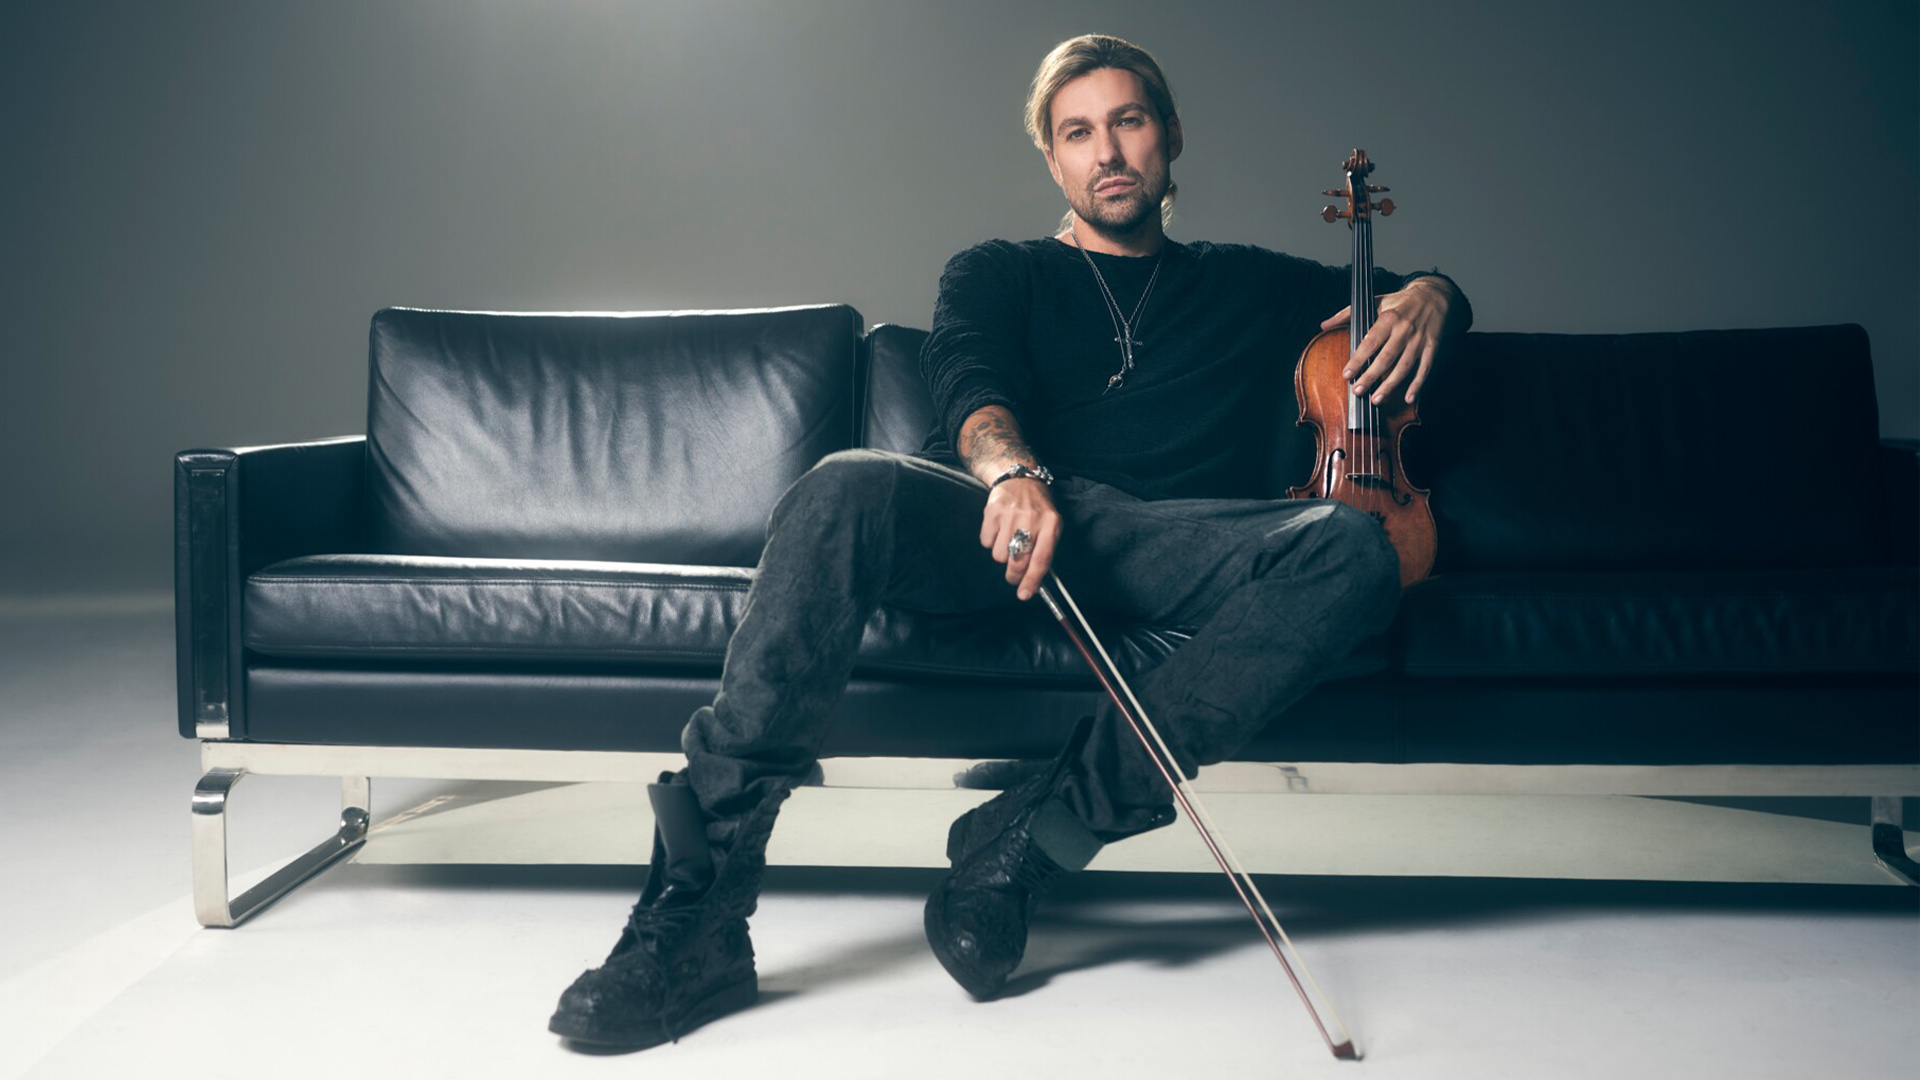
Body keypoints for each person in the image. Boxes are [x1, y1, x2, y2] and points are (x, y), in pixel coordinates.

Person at [547, 32, 1470, 1051]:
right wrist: (1014, 475)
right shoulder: (998, 270)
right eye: (1078, 133)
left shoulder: (1248, 285)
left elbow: (1399, 291)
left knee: (1355, 550)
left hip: (1163, 541)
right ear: (1053, 159)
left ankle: (1027, 843)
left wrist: (1436, 293)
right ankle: (700, 914)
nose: (1106, 152)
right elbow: (969, 384)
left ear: (1170, 137)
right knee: (842, 484)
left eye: (1127, 122)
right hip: (1006, 519)